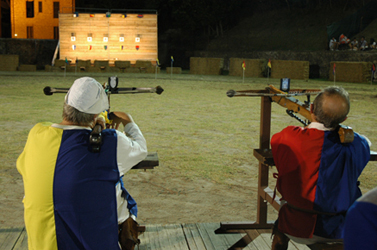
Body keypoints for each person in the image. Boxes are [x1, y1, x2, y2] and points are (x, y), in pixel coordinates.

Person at [17, 77, 148, 250]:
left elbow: (64, 135)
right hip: (91, 243)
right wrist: (127, 119)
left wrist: (95, 123)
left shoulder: (37, 134)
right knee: (117, 191)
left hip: (42, 244)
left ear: (66, 105)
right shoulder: (110, 142)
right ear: (94, 115)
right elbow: (141, 149)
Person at [270, 86, 371, 249]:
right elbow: (365, 142)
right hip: (341, 231)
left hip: (293, 227)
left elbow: (277, 140)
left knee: (284, 208)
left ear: (311, 109)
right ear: (344, 119)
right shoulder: (355, 146)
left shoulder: (289, 136)